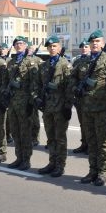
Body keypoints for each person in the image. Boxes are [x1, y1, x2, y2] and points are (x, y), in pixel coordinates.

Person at [71, 30, 106, 186]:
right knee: (91, 141)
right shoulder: (82, 62)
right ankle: (92, 170)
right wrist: (76, 89)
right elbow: (72, 78)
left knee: (104, 142)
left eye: (97, 41)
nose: (94, 44)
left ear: (102, 42)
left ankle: (103, 173)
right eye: (92, 42)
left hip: (103, 109)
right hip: (86, 108)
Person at [36, 36, 73, 177]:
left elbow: (70, 86)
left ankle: (60, 165)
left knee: (60, 138)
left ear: (59, 47)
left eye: (55, 46)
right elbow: (39, 85)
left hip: (60, 107)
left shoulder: (65, 64)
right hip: (47, 107)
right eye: (50, 46)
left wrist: (68, 106)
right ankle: (52, 162)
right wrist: (38, 98)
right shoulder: (44, 66)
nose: (52, 48)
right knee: (50, 137)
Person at [2, 36, 39, 170]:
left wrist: (31, 101)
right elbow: (6, 81)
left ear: (25, 46)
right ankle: (19, 157)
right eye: (16, 44)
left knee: (25, 133)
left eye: (21, 43)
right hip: (13, 103)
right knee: (16, 132)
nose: (18, 46)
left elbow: (35, 84)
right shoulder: (11, 62)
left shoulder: (30, 62)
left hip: (24, 103)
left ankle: (26, 160)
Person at [71, 39, 90, 154]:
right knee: (82, 122)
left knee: (89, 123)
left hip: (90, 96)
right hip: (79, 96)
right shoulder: (77, 61)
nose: (84, 48)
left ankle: (90, 145)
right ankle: (84, 143)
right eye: (82, 47)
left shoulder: (93, 60)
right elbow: (73, 77)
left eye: (86, 47)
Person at [28, 41, 44, 147]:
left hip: (34, 92)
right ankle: (28, 137)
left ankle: (35, 138)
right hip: (24, 93)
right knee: (26, 117)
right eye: (28, 48)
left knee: (34, 118)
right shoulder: (22, 61)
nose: (29, 50)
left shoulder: (38, 60)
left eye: (30, 48)